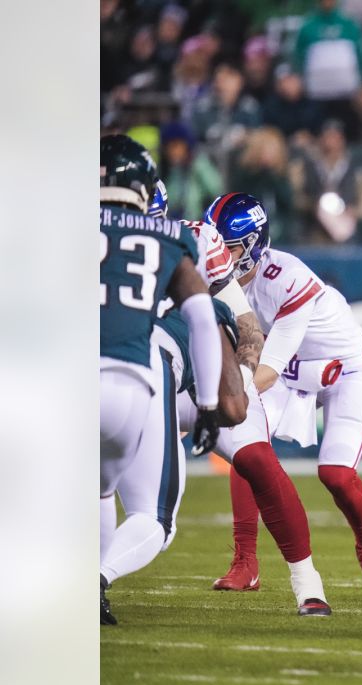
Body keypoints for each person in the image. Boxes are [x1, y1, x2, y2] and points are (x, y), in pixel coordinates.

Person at [148, 185, 332, 614]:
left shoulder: (196, 240)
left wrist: (242, 379)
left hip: (207, 379)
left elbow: (247, 325)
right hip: (146, 380)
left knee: (258, 461)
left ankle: (308, 582)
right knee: (147, 512)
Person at [206, 192, 362, 592]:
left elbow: (267, 371)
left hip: (341, 369)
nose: (219, 254)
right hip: (292, 372)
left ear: (254, 245)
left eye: (229, 247)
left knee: (337, 475)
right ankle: (246, 561)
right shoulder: (214, 283)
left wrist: (211, 409)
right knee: (247, 448)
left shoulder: (285, 279)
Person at [99, 134, 223, 624]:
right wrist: (209, 402)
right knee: (148, 513)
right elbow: (201, 317)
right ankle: (97, 581)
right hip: (133, 377)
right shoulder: (168, 237)